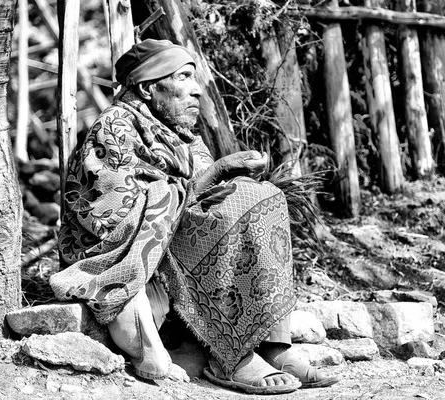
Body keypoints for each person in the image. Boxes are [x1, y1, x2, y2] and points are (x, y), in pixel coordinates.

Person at [50, 39, 339, 395]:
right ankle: (231, 356)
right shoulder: (115, 128)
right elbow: (113, 219)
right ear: (147, 87)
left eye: (194, 79)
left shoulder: (180, 135)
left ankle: (272, 345)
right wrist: (216, 173)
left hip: (170, 245)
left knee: (263, 196)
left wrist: (229, 176)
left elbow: (201, 194)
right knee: (239, 204)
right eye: (184, 78)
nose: (197, 91)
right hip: (128, 257)